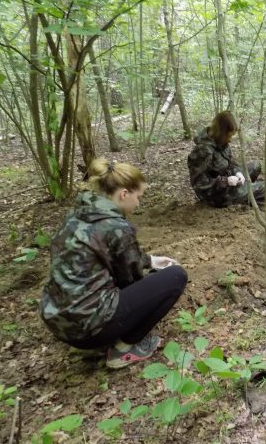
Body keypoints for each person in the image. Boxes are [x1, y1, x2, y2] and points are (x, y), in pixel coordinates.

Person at [39, 158, 188, 369]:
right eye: (139, 197)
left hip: (59, 321)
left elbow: (104, 254)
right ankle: (123, 347)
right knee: (175, 277)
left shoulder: (80, 214)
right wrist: (150, 274)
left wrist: (150, 260)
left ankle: (93, 342)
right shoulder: (116, 226)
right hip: (89, 327)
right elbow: (130, 279)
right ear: (124, 194)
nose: (139, 203)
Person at [188, 111, 266, 224]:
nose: (230, 140)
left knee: (255, 166)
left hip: (229, 184)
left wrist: (238, 173)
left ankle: (248, 192)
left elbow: (231, 163)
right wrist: (225, 181)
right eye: (229, 136)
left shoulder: (219, 142)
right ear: (222, 132)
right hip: (218, 196)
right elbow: (199, 185)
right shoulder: (203, 151)